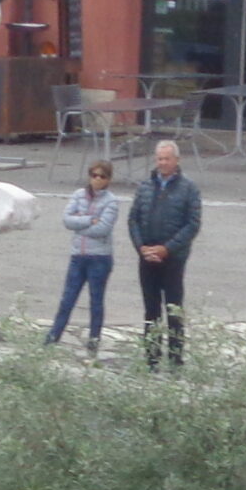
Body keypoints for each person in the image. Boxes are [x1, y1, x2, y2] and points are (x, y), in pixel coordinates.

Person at [125, 138, 201, 369]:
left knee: (174, 310)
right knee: (151, 310)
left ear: (177, 160)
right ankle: (152, 358)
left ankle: (176, 358)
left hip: (173, 258)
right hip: (147, 256)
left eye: (167, 159)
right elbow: (133, 219)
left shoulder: (189, 188)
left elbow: (192, 224)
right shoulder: (145, 187)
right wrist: (141, 247)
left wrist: (167, 248)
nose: (163, 163)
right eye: (159, 159)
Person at [47, 160, 118, 354]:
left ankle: (94, 341)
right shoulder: (79, 195)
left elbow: (103, 228)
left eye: (102, 176)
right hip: (78, 255)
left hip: (100, 258)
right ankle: (52, 338)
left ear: (108, 180)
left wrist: (79, 226)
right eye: (94, 175)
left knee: (96, 301)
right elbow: (67, 220)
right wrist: (88, 220)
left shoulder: (111, 201)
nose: (97, 179)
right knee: (67, 299)